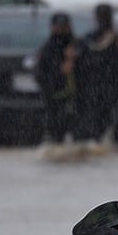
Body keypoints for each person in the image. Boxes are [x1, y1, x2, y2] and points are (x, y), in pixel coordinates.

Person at [79, 3, 118, 144]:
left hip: (117, 88)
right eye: (102, 16)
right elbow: (82, 62)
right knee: (95, 131)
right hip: (95, 89)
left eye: (106, 16)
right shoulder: (88, 40)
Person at [34, 12, 82, 143]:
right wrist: (60, 72)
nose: (62, 30)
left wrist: (75, 59)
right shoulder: (47, 50)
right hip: (55, 103)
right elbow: (40, 75)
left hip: (78, 102)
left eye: (65, 27)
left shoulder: (78, 45)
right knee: (56, 136)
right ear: (53, 28)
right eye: (59, 27)